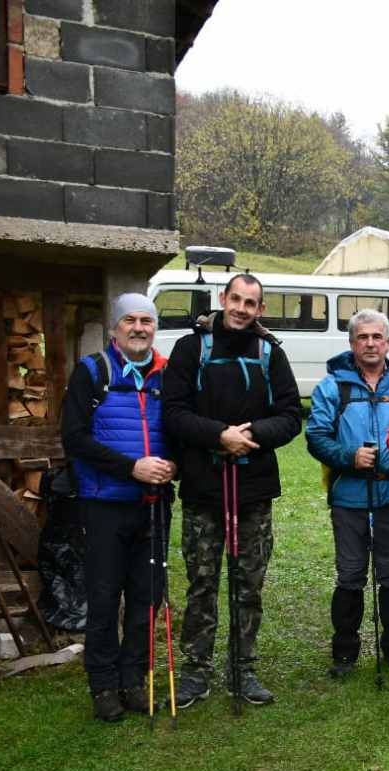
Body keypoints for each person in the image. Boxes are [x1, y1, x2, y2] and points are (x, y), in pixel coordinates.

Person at [161, 274, 303, 709]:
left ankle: (243, 668)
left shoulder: (270, 353)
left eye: (251, 303)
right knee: (201, 583)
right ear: (223, 299)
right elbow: (173, 412)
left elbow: (290, 416)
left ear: (260, 309)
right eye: (236, 299)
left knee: (248, 585)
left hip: (253, 490)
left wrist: (252, 435)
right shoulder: (190, 349)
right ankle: (195, 670)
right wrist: (218, 435)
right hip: (203, 488)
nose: (241, 308)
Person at [60, 294, 176, 722]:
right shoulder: (92, 372)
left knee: (147, 598)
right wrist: (132, 468)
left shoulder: (168, 375)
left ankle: (134, 680)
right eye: (130, 320)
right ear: (115, 328)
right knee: (105, 597)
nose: (139, 328)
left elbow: (180, 430)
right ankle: (104, 685)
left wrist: (174, 464)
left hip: (154, 505)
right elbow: (74, 439)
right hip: (104, 504)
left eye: (147, 321)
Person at [304, 309, 389, 678]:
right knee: (350, 575)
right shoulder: (332, 386)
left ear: (388, 343)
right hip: (348, 497)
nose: (370, 343)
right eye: (362, 337)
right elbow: (316, 437)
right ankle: (344, 653)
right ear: (351, 343)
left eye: (377, 337)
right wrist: (349, 457)